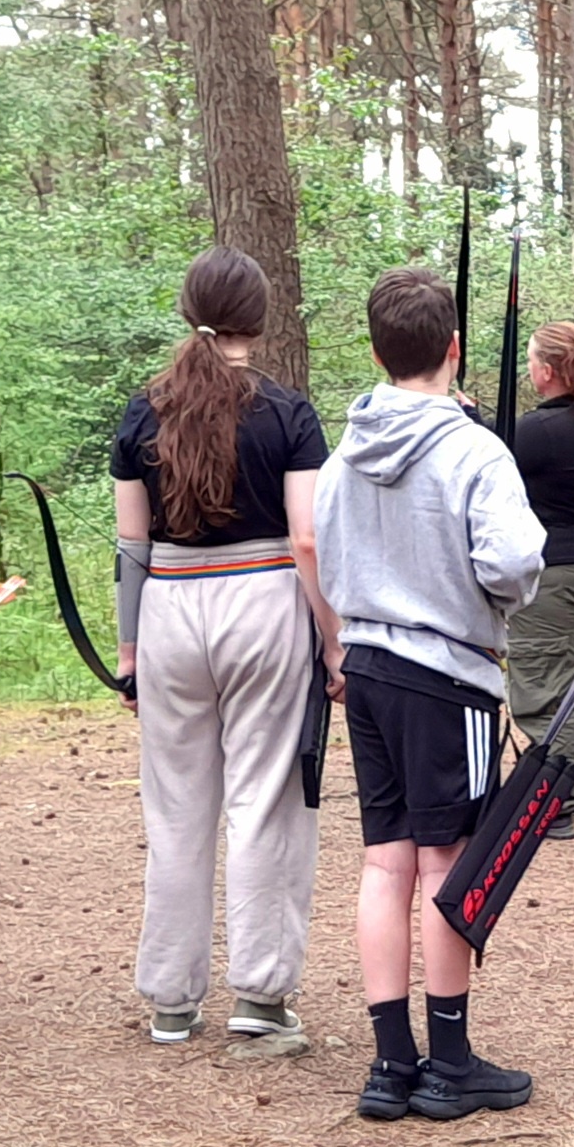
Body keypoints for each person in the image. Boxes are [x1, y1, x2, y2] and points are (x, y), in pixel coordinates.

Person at [316, 266, 546, 1120]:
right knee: (448, 861)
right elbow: (514, 561)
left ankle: (390, 1062)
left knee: (387, 860)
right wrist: (488, 601)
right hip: (447, 677)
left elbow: (324, 548)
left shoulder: (344, 451)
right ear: (453, 348)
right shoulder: (473, 450)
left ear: (377, 352)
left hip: (369, 668)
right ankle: (447, 1062)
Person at [109, 247, 342, 1046]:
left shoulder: (142, 412)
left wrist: (129, 653)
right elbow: (307, 539)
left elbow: (131, 547)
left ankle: (171, 999)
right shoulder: (287, 412)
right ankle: (261, 995)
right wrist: (332, 640)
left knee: (175, 807)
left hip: (169, 607)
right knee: (264, 798)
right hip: (264, 598)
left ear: (189, 311)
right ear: (259, 319)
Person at [504, 321, 574, 838]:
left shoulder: (540, 430)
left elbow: (491, 454)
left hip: (556, 576)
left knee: (544, 688)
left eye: (531, 361)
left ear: (547, 372)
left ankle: (556, 799)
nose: (529, 369)